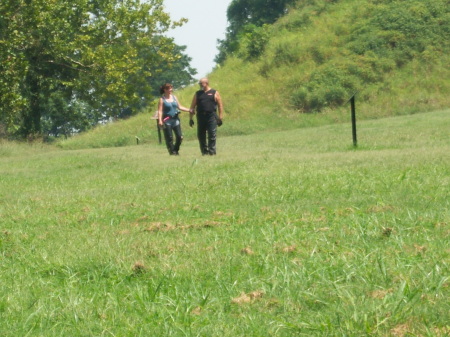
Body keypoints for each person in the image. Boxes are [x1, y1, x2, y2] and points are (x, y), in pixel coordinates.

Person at [189, 78, 224, 155]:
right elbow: (192, 106)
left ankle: (212, 152)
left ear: (206, 83)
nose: (200, 85)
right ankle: (204, 152)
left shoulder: (214, 92)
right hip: (201, 116)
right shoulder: (198, 94)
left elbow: (220, 105)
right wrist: (191, 118)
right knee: (201, 135)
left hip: (211, 116)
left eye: (201, 83)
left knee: (212, 134)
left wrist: (220, 117)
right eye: (200, 83)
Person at [158, 83, 190, 155]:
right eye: (168, 89)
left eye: (171, 88)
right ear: (164, 90)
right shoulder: (162, 99)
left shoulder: (174, 97)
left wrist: (189, 110)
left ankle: (175, 149)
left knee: (179, 137)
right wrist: (160, 120)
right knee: (169, 138)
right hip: (167, 120)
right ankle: (172, 152)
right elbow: (160, 111)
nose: (170, 90)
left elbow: (180, 107)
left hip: (175, 120)